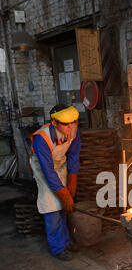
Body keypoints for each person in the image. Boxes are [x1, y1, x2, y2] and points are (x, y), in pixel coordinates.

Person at [30, 104, 81, 261]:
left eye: (73, 122)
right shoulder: (41, 138)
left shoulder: (73, 131)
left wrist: (72, 182)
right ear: (54, 123)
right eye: (66, 124)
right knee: (52, 207)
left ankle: (65, 241)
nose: (70, 126)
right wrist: (64, 194)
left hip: (60, 165)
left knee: (63, 209)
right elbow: (48, 171)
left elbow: (73, 156)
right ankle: (57, 248)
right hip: (43, 169)